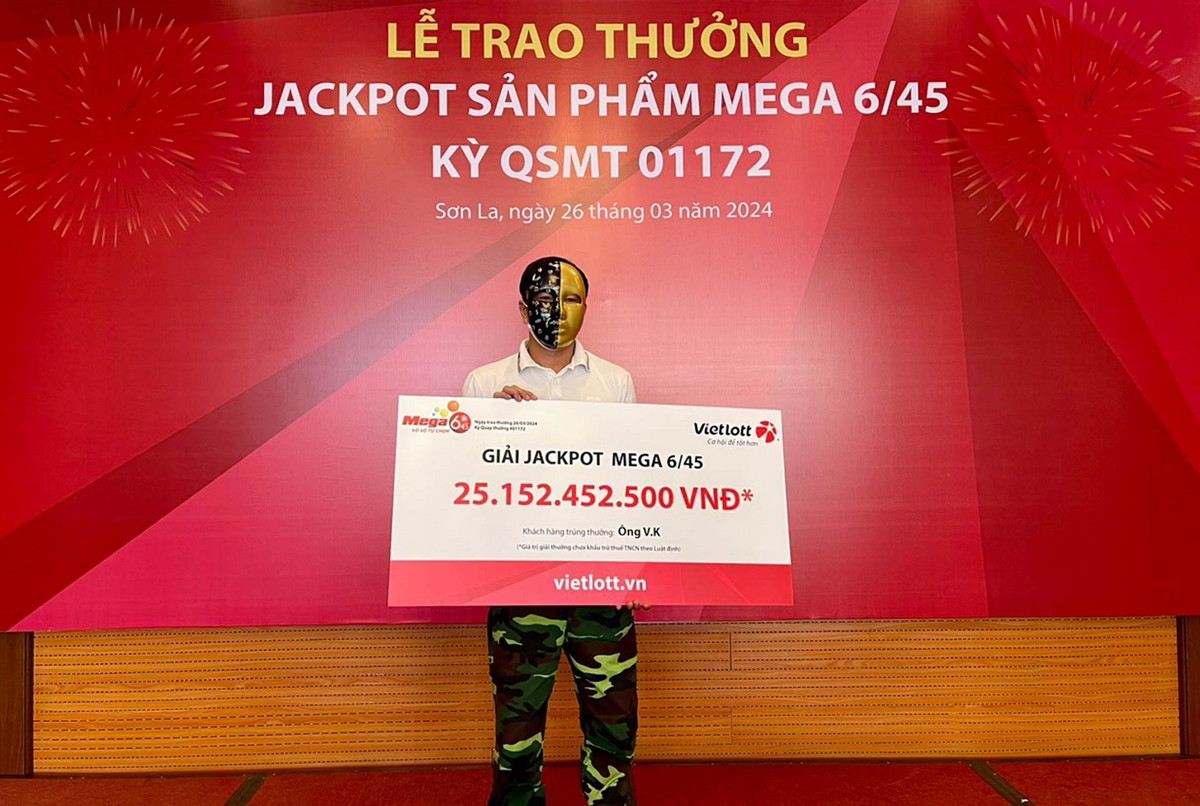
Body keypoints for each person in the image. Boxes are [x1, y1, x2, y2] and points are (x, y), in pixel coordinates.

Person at [463, 256, 639, 806]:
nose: (557, 310)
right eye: (544, 299)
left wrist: (638, 570)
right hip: (521, 584)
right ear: (522, 309)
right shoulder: (485, 383)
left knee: (613, 731)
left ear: (586, 307)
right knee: (516, 738)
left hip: (601, 584)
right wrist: (491, 425)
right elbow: (465, 484)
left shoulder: (615, 382)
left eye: (571, 299)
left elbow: (634, 484)